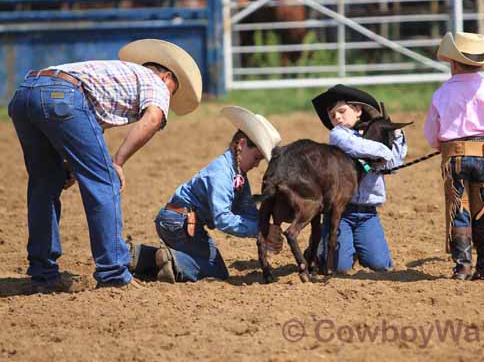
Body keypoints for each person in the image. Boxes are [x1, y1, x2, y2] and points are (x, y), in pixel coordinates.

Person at [8, 39, 203, 292]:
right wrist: (117, 162)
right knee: (106, 180)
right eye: (172, 92)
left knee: (44, 185)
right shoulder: (155, 81)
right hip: (63, 94)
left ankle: (43, 275)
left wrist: (71, 166)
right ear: (166, 77)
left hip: (26, 93)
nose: (168, 98)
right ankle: (113, 273)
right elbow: (153, 118)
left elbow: (83, 132)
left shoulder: (116, 78)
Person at [128, 106, 282, 283]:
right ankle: (171, 260)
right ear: (241, 145)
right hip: (180, 223)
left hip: (178, 220)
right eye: (256, 158)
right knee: (216, 270)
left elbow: (246, 209)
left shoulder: (236, 173)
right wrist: (261, 229)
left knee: (212, 266)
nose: (256, 165)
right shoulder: (222, 174)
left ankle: (140, 256)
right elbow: (222, 218)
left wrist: (265, 227)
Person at [423, 31, 484, 280]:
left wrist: (441, 145)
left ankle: (462, 266)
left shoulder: (441, 93)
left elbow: (432, 132)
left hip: (454, 157)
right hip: (483, 155)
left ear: (452, 62)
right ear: (481, 63)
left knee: (458, 209)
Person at [311, 84, 408, 273]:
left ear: (357, 110)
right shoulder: (339, 135)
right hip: (341, 212)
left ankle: (352, 248)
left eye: (341, 111)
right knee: (340, 267)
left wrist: (396, 135)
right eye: (332, 116)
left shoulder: (372, 139)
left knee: (380, 264)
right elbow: (358, 147)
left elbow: (393, 166)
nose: (337, 117)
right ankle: (322, 251)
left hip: (368, 213)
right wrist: (384, 149)